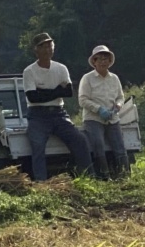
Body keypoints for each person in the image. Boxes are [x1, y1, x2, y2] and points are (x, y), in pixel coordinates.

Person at [22, 32, 93, 181]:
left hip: (58, 113)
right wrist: (56, 91)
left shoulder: (61, 68)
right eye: (44, 46)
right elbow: (33, 98)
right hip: (37, 115)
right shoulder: (29, 71)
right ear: (36, 50)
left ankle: (88, 176)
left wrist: (44, 92)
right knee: (37, 145)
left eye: (50, 46)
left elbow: (68, 92)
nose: (48, 49)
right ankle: (41, 182)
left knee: (80, 140)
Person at [78, 44, 130, 179]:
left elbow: (120, 96)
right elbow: (83, 100)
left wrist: (118, 105)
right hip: (93, 118)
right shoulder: (87, 78)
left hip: (112, 117)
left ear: (110, 61)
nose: (103, 62)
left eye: (106, 59)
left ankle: (125, 176)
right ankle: (104, 177)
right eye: (99, 59)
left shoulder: (114, 78)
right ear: (94, 62)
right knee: (98, 146)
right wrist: (99, 109)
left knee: (119, 146)